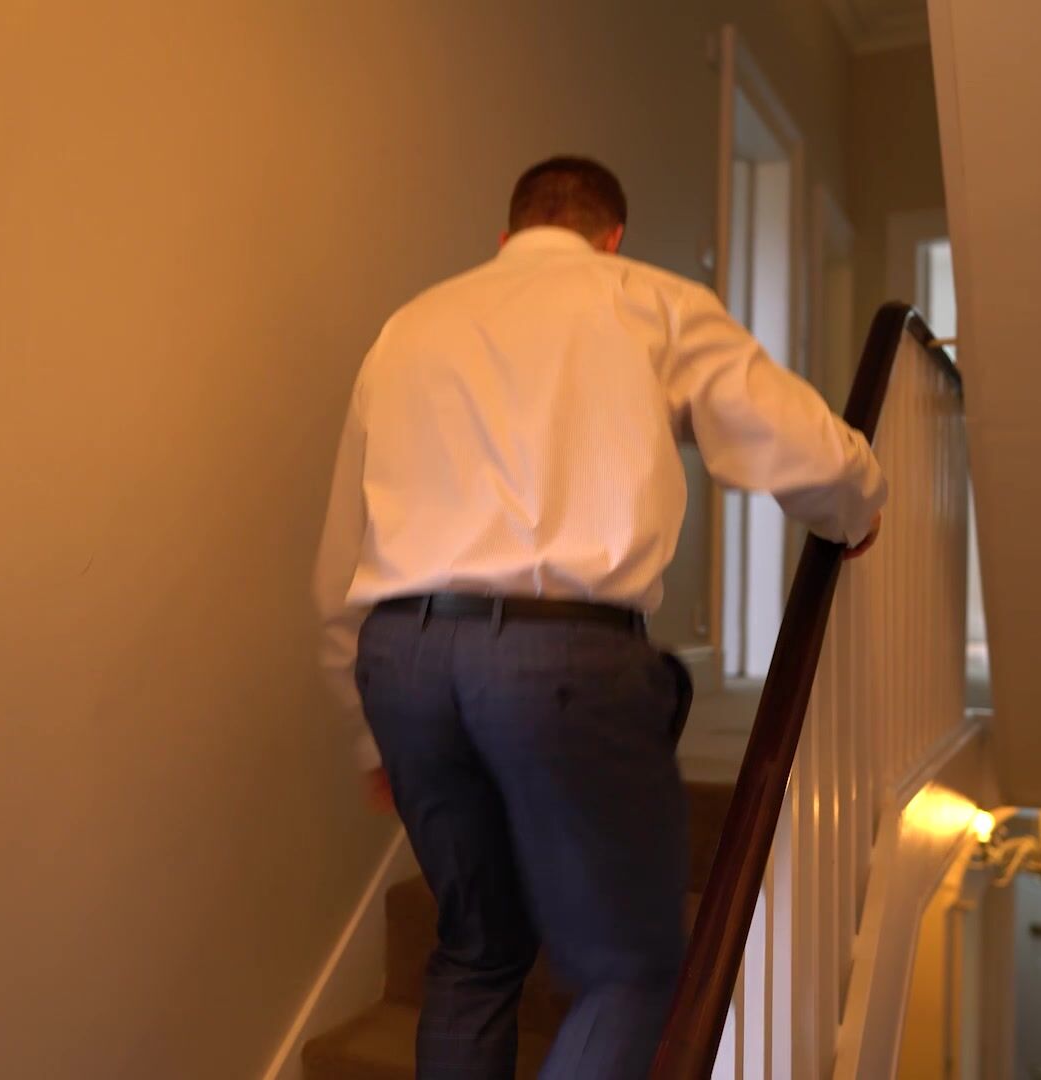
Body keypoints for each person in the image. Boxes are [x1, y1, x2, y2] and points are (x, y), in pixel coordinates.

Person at [313, 156, 886, 1079]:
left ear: (507, 236)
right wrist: (858, 511)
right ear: (611, 236)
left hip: (403, 662)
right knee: (631, 970)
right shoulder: (649, 300)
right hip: (563, 658)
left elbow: (343, 550)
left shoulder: (408, 328)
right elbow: (807, 451)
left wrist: (367, 728)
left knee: (474, 949)